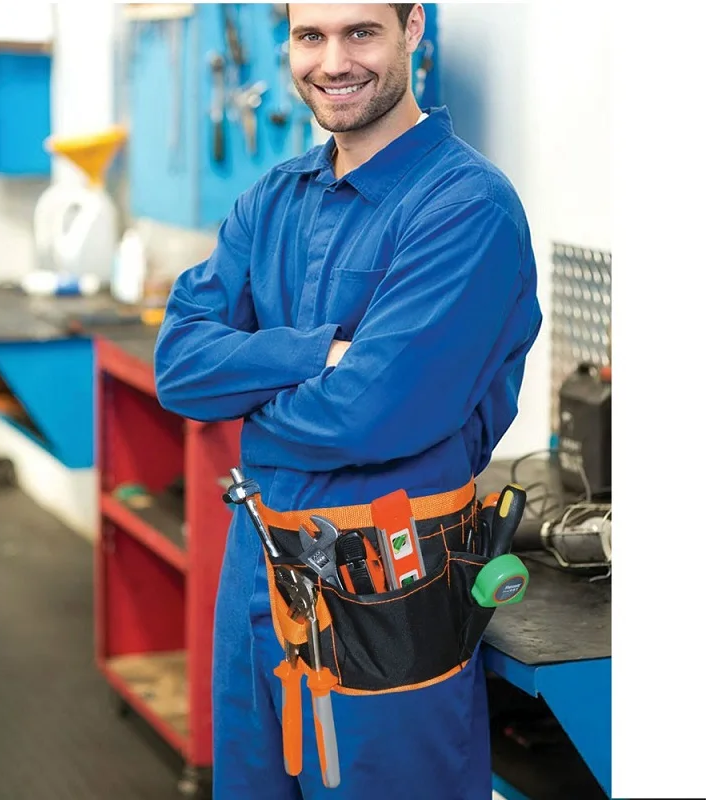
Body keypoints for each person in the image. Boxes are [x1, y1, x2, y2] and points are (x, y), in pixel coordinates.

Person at [154, 3, 542, 798]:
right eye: (311, 36)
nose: (333, 62)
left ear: (413, 28)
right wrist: (317, 354)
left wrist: (248, 399)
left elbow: (369, 412)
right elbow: (180, 367)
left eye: (361, 32)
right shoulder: (274, 197)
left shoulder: (465, 207)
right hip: (257, 578)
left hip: (388, 592)